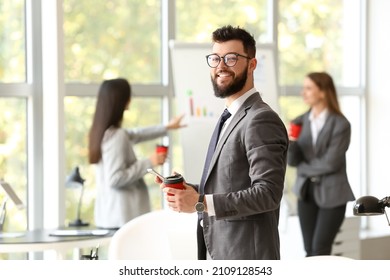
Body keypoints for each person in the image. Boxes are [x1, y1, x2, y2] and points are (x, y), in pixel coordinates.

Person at [157, 25, 289, 260]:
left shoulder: (261, 119)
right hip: (221, 251)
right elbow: (230, 185)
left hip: (247, 257)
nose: (221, 66)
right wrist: (190, 191)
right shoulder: (229, 117)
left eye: (231, 58)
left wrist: (198, 203)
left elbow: (267, 193)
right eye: (216, 58)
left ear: (252, 64)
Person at [88, 78, 185, 229]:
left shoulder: (103, 133)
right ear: (122, 100)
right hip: (123, 217)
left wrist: (166, 127)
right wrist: (149, 162)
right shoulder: (117, 136)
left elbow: (136, 134)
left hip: (110, 215)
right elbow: (115, 179)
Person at [287, 71, 355, 257]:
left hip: (333, 195)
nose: (303, 93)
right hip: (306, 193)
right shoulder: (298, 122)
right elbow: (292, 161)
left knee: (321, 250)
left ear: (323, 92)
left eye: (309, 88)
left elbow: (331, 163)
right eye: (303, 88)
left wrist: (303, 168)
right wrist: (291, 142)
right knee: (309, 251)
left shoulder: (341, 124)